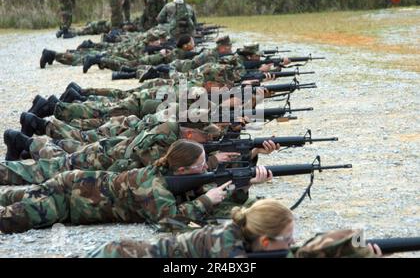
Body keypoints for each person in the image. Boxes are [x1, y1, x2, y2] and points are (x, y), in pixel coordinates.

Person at [0, 140, 271, 234]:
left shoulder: (171, 179)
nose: (206, 169)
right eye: (201, 165)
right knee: (9, 219)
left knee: (20, 196)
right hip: (66, 197)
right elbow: (168, 222)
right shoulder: (152, 185)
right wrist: (206, 201)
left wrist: (244, 183)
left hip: (71, 194)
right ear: (182, 170)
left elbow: (220, 204)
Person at [87, 198, 383, 258]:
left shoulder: (242, 231)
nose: (294, 242)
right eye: (289, 238)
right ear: (265, 243)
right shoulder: (226, 249)